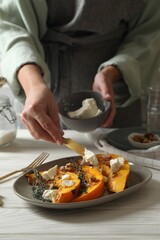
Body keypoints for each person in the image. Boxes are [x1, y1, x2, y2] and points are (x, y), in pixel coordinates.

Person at [0, 0, 160, 145]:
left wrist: (112, 72)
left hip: (116, 91)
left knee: (119, 165)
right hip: (41, 85)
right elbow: (12, 26)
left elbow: (149, 31)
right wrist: (34, 85)